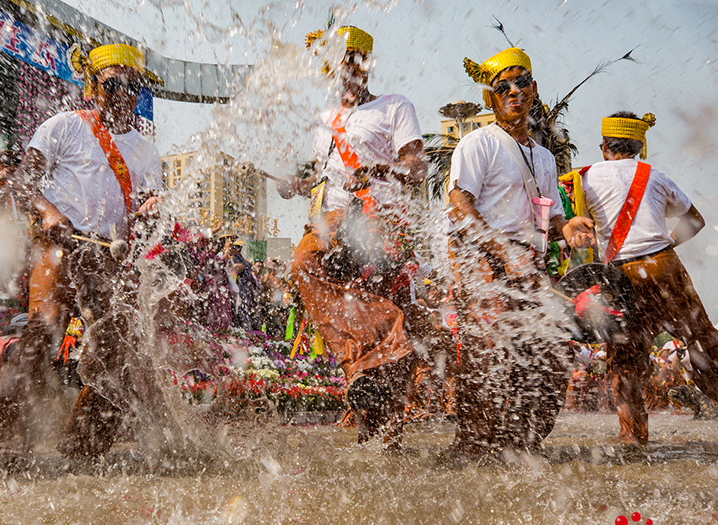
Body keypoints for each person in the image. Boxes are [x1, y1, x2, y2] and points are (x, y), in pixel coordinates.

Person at [0, 43, 162, 456]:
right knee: (43, 329)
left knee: (118, 352)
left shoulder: (146, 148)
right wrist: (49, 214)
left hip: (106, 258)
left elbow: (152, 202)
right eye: (113, 84)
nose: (122, 94)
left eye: (132, 86)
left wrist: (155, 209)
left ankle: (84, 443)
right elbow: (22, 183)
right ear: (93, 86)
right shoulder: (64, 126)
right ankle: (8, 440)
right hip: (57, 248)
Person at [277, 26, 429, 450]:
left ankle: (385, 438)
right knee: (302, 265)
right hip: (329, 220)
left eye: (354, 62)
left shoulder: (394, 106)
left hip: (377, 222)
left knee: (375, 313)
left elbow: (417, 170)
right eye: (337, 64)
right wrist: (299, 182)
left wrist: (379, 171)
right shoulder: (325, 120)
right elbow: (328, 176)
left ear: (366, 64)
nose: (346, 71)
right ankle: (378, 351)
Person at [448, 47, 594, 453]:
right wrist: (499, 250)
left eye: (522, 82)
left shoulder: (545, 158)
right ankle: (471, 447)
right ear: (491, 99)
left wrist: (572, 229)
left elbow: (553, 221)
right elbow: (459, 203)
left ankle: (520, 445)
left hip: (531, 265)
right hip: (483, 262)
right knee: (489, 354)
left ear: (534, 91)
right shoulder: (478, 144)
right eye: (503, 87)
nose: (514, 91)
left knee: (550, 357)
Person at [575, 111, 718, 442]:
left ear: (603, 147)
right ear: (639, 145)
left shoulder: (583, 179)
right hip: (663, 267)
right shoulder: (656, 175)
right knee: (701, 340)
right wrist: (662, 246)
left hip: (620, 277)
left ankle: (632, 439)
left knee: (625, 360)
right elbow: (694, 221)